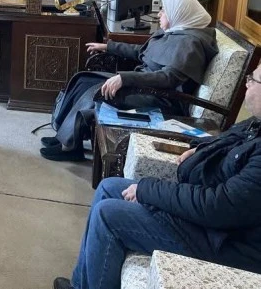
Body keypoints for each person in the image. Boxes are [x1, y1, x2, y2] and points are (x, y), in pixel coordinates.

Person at [53, 60, 261, 289]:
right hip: (211, 222)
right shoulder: (256, 123)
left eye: (253, 79)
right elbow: (229, 141)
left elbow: (219, 207)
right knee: (109, 187)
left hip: (227, 243)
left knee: (108, 215)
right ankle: (80, 285)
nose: (247, 83)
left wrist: (147, 190)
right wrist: (201, 149)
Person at [41, 0, 218, 161]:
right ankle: (62, 134)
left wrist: (124, 78)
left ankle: (70, 147)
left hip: (160, 98)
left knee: (97, 92)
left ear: (179, 13)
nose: (159, 14)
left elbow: (168, 78)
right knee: (83, 80)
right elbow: (142, 52)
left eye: (164, 11)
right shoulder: (176, 32)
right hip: (143, 84)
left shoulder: (191, 43)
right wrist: (108, 46)